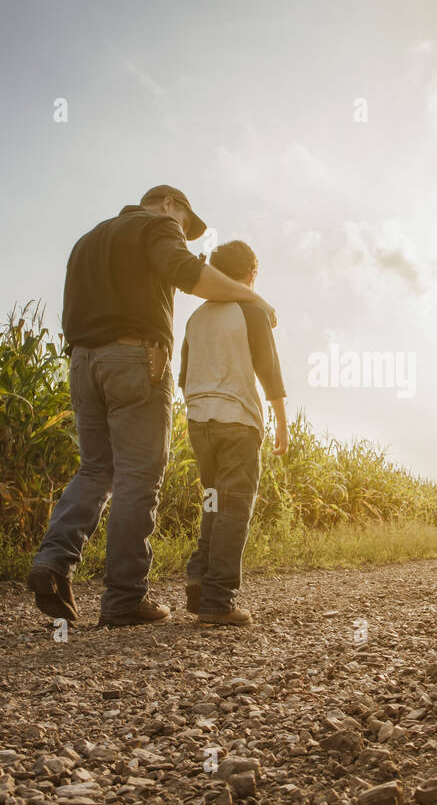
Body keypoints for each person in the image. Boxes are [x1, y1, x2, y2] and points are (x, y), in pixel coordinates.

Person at [26, 185, 277, 628]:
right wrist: (253, 297)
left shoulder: (90, 237)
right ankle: (123, 598)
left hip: (82, 363)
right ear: (169, 204)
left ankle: (53, 561)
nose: (182, 233)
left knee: (96, 469)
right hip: (132, 359)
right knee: (138, 477)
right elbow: (186, 272)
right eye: (185, 223)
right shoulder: (159, 224)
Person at [179, 240, 287, 626]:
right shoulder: (251, 310)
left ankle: (199, 570)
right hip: (237, 424)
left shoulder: (196, 318)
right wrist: (282, 424)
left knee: (212, 499)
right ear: (252, 274)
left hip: (199, 423)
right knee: (234, 507)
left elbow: (183, 377)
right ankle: (218, 600)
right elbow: (269, 371)